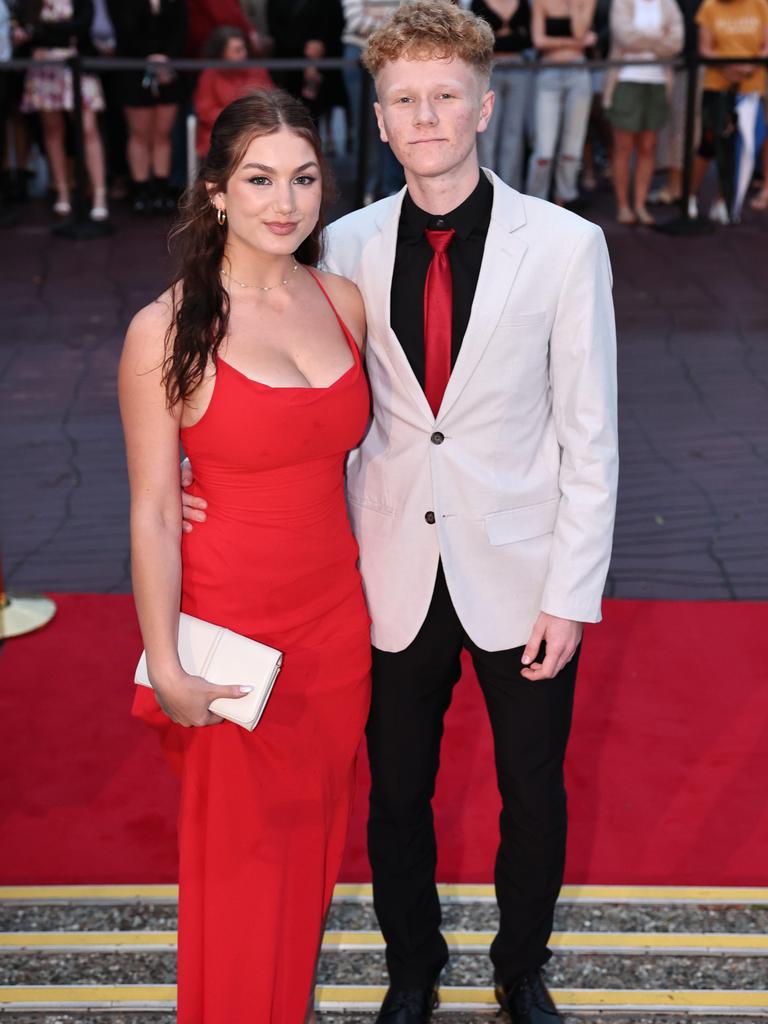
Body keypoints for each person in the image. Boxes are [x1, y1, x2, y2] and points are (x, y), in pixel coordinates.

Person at [183, 4, 618, 1022]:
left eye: (445, 98)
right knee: (394, 796)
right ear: (379, 119)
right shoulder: (343, 243)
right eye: (405, 100)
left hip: (521, 568)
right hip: (383, 569)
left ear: (483, 108)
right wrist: (209, 476)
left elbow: (590, 438)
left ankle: (520, 968)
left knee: (534, 793)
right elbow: (286, 377)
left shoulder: (565, 247)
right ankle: (412, 966)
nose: (426, 117)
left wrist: (573, 594)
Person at [119, 89, 372, 1024]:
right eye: (260, 179)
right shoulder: (167, 329)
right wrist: (170, 665)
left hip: (338, 632)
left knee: (308, 864)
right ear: (218, 192)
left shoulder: (340, 299)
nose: (286, 201)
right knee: (234, 877)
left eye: (303, 178)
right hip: (232, 640)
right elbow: (150, 512)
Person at [16, 0, 109, 220]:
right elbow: (24, 28)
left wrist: (40, 32)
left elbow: (80, 27)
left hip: (77, 69)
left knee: (88, 130)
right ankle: (63, 192)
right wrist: (51, 34)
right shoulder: (31, 3)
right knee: (52, 131)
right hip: (44, 73)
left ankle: (99, 194)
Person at [603, 0, 684, 225]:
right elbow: (624, 37)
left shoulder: (668, 5)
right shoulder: (622, 3)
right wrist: (659, 37)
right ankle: (623, 206)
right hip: (626, 81)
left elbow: (676, 42)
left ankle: (640, 204)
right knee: (623, 147)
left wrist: (642, 39)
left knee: (648, 147)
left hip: (658, 83)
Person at [107, 0, 187, 215]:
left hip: (169, 73)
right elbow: (123, 30)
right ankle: (141, 190)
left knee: (162, 134)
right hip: (133, 71)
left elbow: (180, 30)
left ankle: (161, 188)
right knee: (139, 134)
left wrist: (165, 60)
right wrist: (149, 58)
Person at [691, 0, 768, 223]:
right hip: (717, 87)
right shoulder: (709, 7)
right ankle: (690, 194)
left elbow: (765, 44)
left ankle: (723, 199)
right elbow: (705, 48)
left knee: (741, 145)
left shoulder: (760, 4)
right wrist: (730, 67)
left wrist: (750, 66)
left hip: (750, 89)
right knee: (710, 143)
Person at [526, 0, 598, 204]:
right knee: (544, 151)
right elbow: (539, 41)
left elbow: (578, 31)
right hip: (548, 72)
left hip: (578, 73)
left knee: (572, 149)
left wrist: (575, 5)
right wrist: (578, 43)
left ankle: (562, 204)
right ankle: (534, 203)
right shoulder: (541, 3)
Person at [472, 0, 533, 191]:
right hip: (490, 70)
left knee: (514, 133)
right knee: (486, 133)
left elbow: (529, 41)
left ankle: (509, 190)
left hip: (519, 71)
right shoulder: (477, 4)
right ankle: (484, 189)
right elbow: (478, 41)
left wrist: (499, 37)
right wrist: (513, 36)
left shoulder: (523, 4)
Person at [193, 26, 274, 158]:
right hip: (222, 134)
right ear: (222, 53)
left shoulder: (258, 70)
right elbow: (205, 111)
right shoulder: (210, 74)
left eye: (244, 48)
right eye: (237, 50)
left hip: (258, 130)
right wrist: (239, 117)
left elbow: (271, 101)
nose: (244, 54)